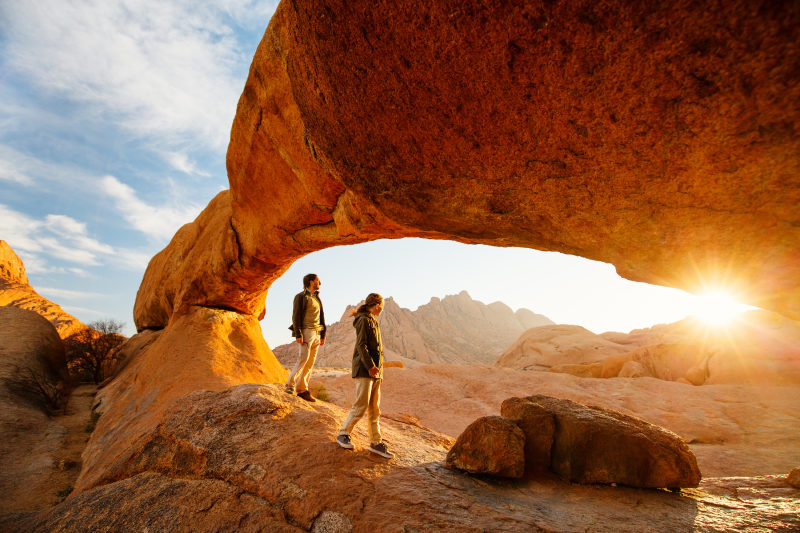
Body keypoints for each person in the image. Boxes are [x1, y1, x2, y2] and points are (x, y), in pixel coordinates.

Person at [336, 293, 394, 459]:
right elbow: (361, 346)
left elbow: (377, 350)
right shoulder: (363, 320)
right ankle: (343, 433)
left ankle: (376, 442)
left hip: (374, 372)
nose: (382, 308)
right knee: (361, 405)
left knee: (375, 409)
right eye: (381, 305)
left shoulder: (373, 320)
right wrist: (370, 367)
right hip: (364, 370)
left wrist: (379, 372)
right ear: (375, 304)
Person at [285, 273, 326, 402]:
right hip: (306, 331)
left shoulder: (317, 298)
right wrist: (298, 334)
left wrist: (323, 335)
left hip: (316, 333)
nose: (320, 283)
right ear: (311, 282)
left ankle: (302, 389)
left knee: (310, 363)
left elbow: (321, 318)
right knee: (303, 359)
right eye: (318, 280)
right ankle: (290, 386)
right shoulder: (301, 297)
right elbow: (295, 316)